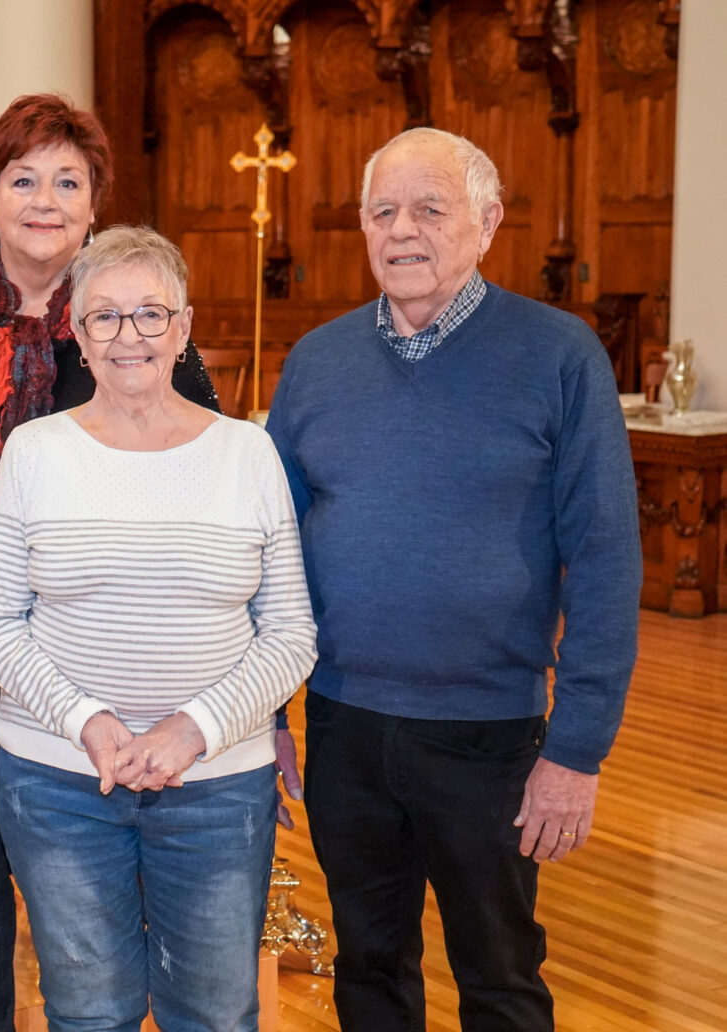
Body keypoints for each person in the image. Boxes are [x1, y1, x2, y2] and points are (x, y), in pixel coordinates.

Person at [264, 127, 642, 1031]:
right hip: (347, 727)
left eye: (430, 209)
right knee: (369, 969)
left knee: (501, 979)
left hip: (492, 733)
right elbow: (268, 550)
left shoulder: (559, 354)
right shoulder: (317, 361)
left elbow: (604, 556)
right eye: (383, 211)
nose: (403, 231)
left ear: (487, 223)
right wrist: (268, 713)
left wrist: (577, 750)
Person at [0, 94, 226, 1031]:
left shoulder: (138, 330)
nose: (44, 200)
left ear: (94, 208)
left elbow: (208, 502)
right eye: (23, 179)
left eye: (67, 181)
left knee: (93, 930)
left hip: (106, 677)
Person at [0, 225, 318, 1032]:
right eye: (105, 318)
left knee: (216, 1015)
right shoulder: (34, 451)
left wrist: (193, 730)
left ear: (184, 327)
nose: (130, 337)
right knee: (90, 1012)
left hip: (217, 786)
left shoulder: (247, 454)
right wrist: (85, 721)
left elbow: (290, 630)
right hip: (59, 782)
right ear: (77, 336)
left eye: (150, 315)